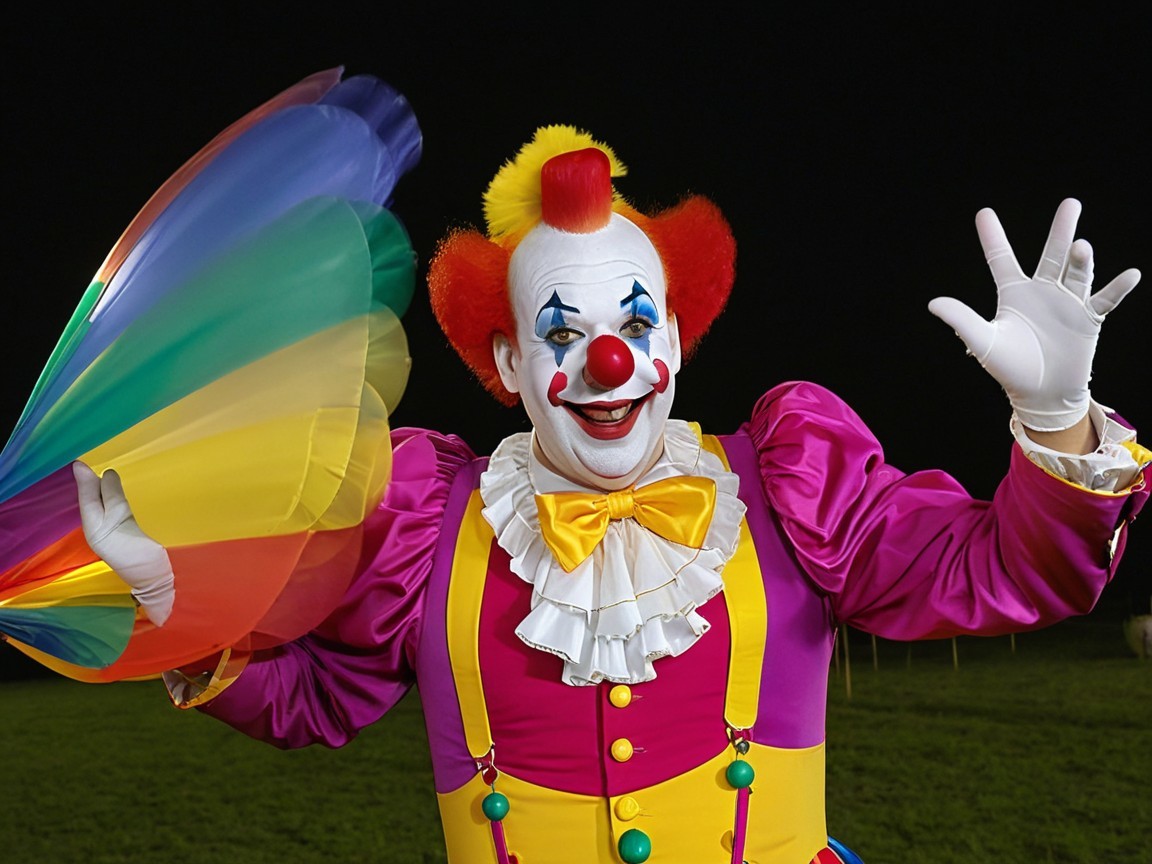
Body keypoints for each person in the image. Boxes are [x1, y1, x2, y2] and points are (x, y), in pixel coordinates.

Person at [69, 112, 1148, 863]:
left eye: (636, 324)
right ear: (504, 366)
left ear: (677, 336)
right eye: (562, 333)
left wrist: (1055, 415)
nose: (608, 363)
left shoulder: (788, 486)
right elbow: (312, 701)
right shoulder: (424, 526)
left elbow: (1010, 572)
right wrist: (170, 597)